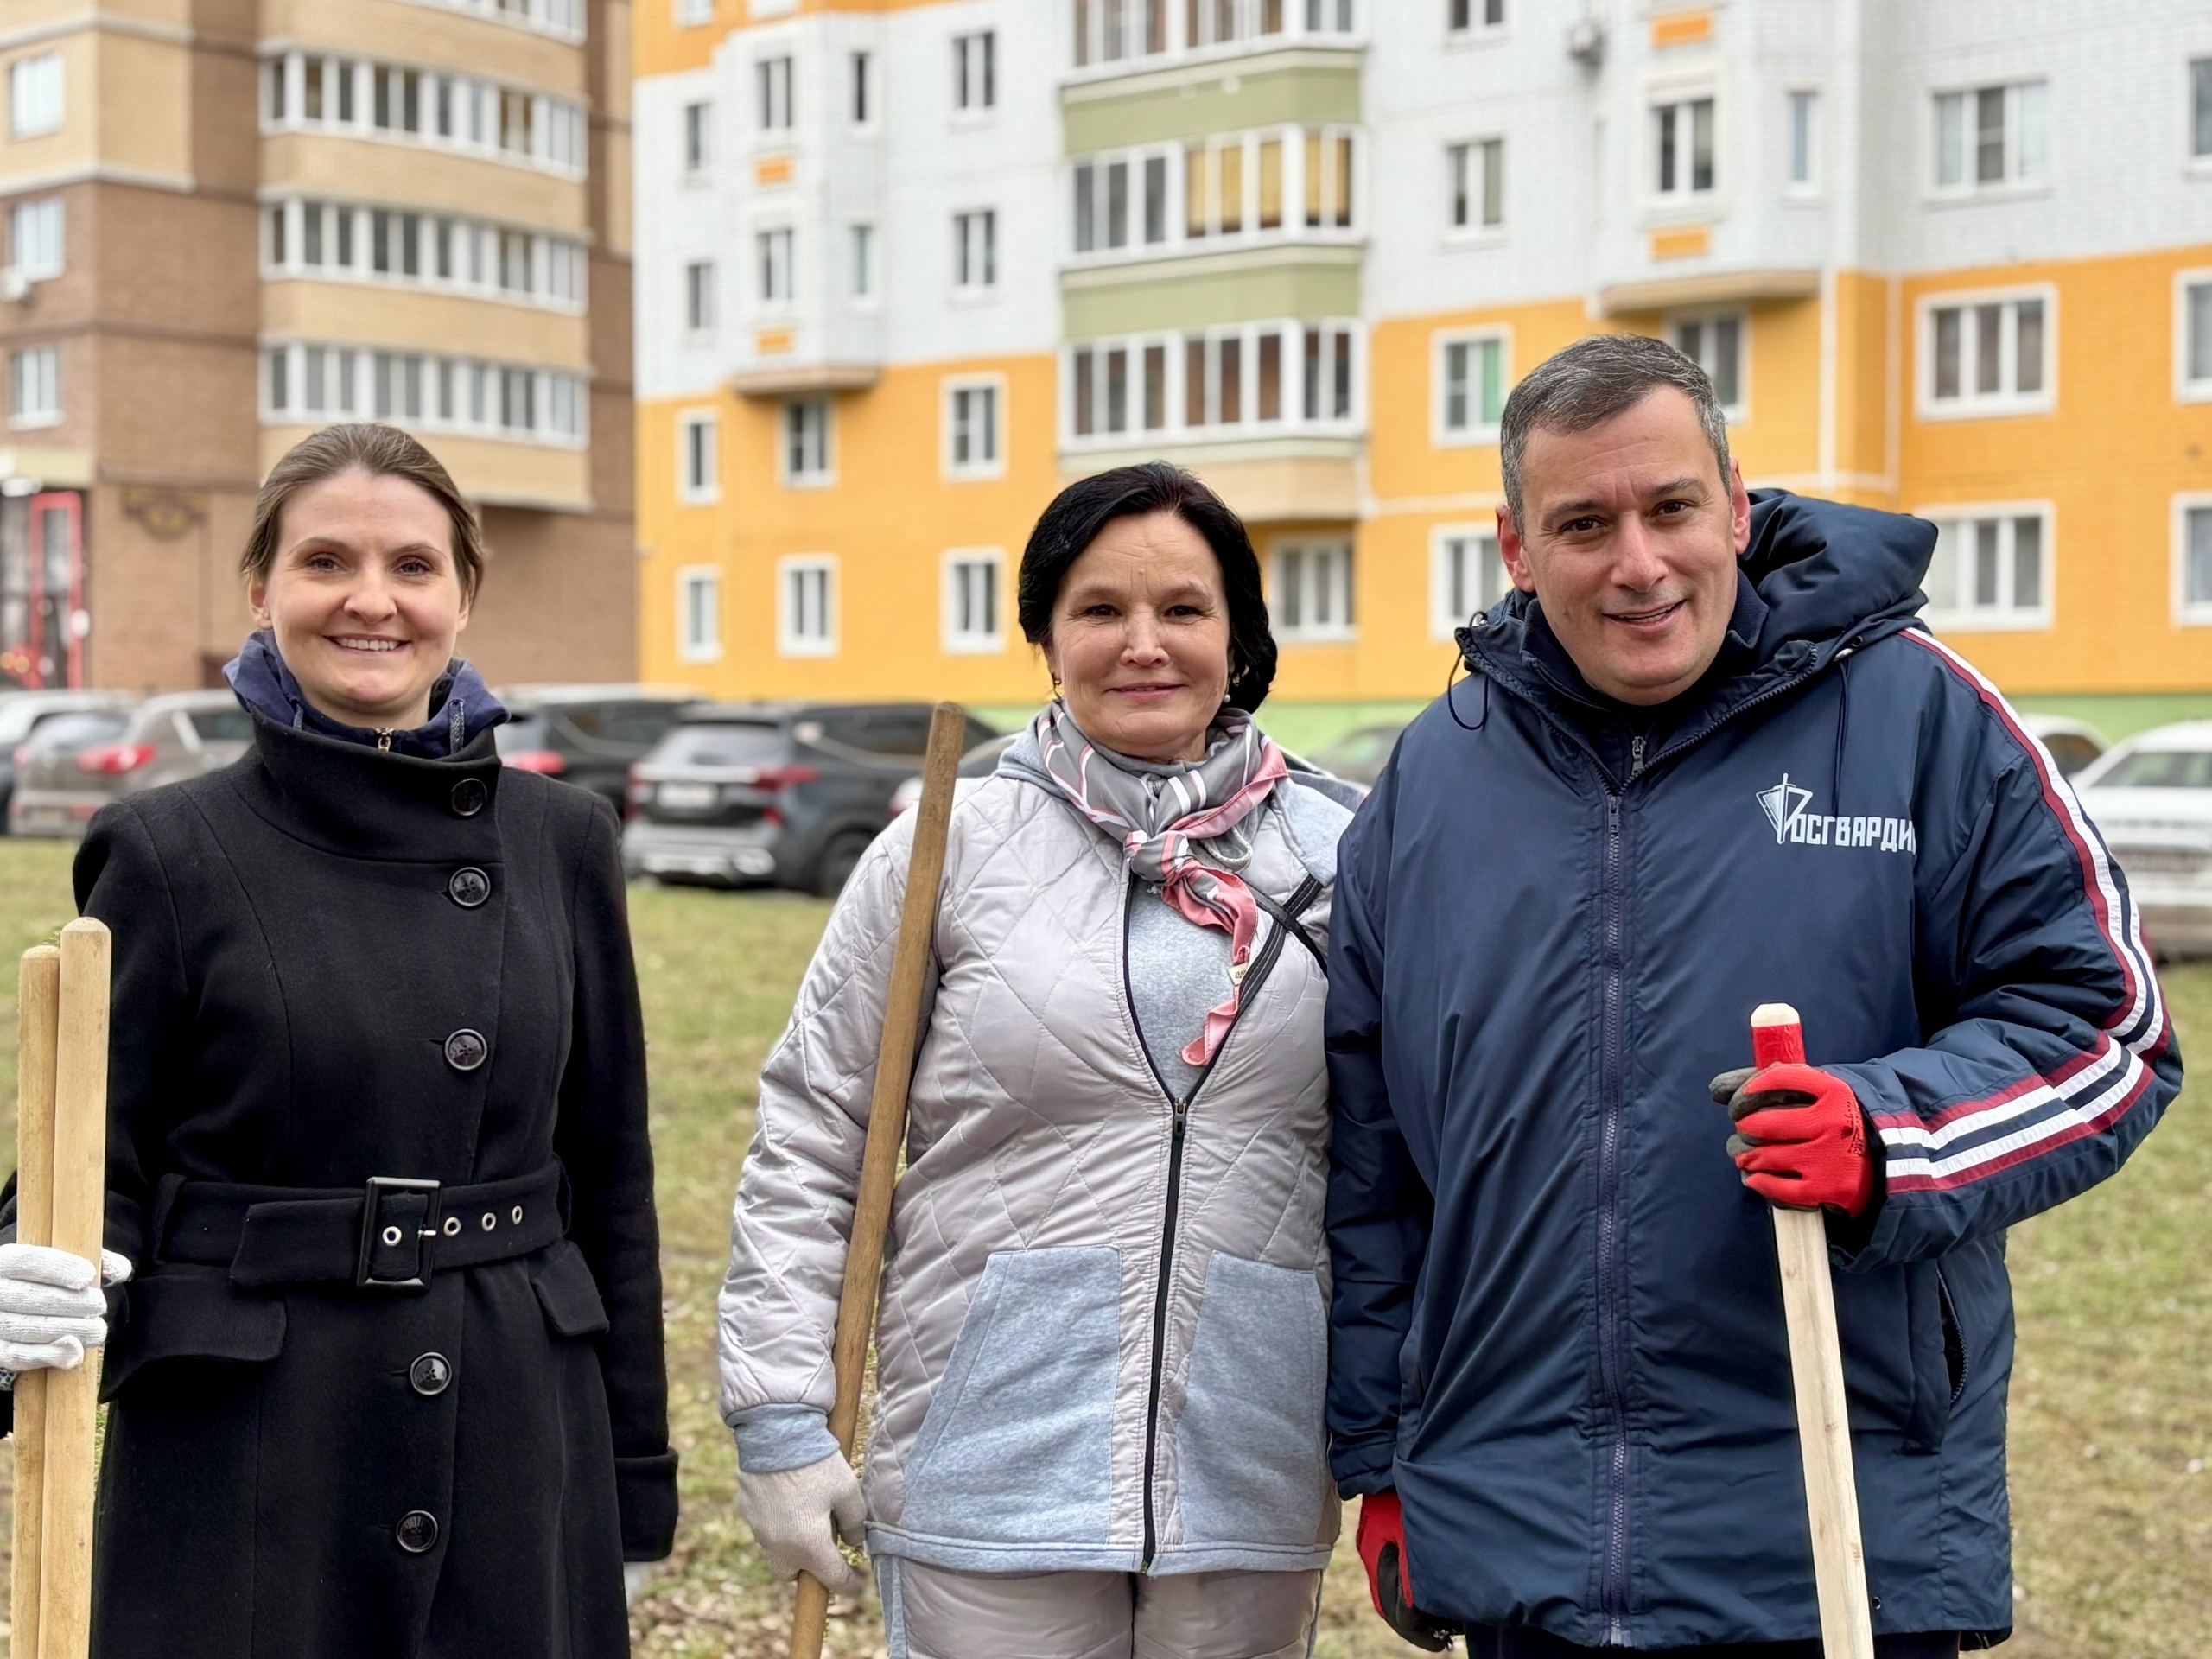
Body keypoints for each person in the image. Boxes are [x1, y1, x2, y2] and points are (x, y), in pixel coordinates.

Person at [1325, 335, 2180, 1657]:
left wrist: (1891, 1138)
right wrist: (1384, 1456)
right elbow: (1374, 1161)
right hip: (1519, 1540)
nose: (1640, 564)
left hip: (1835, 1535)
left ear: (1735, 505)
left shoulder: (1919, 719)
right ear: (1515, 548)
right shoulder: (1434, 779)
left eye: (1671, 507)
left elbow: (2107, 1027)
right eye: (1583, 524)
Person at [0, 423, 677, 1656]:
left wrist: (633, 1486)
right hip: (247, 1448)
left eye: (414, 566)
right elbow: (96, 1155)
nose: (373, 600)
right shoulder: (165, 851)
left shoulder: (564, 842)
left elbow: (611, 1182)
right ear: (261, 591)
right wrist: (22, 1268)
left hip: (517, 1433)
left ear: (464, 596)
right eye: (325, 562)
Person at [717, 463, 1359, 1659]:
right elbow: (813, 1135)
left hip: (1250, 1454)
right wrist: (780, 1416)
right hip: (989, 1455)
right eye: (1100, 609)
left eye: (1183, 608)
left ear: (1237, 637)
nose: (1143, 644)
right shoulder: (946, 845)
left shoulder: (1346, 854)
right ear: (1046, 639)